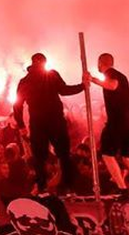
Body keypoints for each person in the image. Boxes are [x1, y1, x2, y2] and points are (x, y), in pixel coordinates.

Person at [14, 54, 84, 193]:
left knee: (40, 157)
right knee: (63, 153)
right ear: (45, 63)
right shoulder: (51, 75)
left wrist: (21, 125)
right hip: (54, 120)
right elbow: (64, 90)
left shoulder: (25, 81)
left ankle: (42, 186)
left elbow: (17, 105)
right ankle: (66, 185)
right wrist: (82, 86)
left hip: (38, 123)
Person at [85, 53, 129, 191]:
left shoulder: (112, 74)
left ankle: (122, 188)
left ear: (100, 63)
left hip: (119, 120)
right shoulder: (121, 75)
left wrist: (92, 79)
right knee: (128, 156)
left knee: (107, 153)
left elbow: (112, 85)